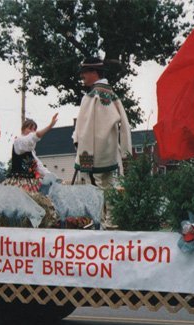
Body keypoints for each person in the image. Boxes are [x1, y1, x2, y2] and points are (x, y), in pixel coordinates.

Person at [72, 57, 132, 228]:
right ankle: (107, 219)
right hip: (104, 150)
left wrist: (79, 142)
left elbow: (87, 126)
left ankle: (101, 220)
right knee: (106, 185)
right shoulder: (110, 94)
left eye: (85, 72)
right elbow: (123, 123)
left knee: (96, 185)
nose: (82, 76)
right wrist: (123, 150)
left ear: (94, 72)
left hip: (93, 150)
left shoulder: (95, 96)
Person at [4, 114, 58, 192]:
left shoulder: (31, 150)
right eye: (29, 128)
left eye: (34, 129)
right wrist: (49, 126)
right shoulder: (18, 141)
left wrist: (53, 177)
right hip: (18, 183)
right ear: (23, 129)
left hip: (31, 183)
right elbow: (32, 138)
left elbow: (39, 167)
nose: (32, 131)